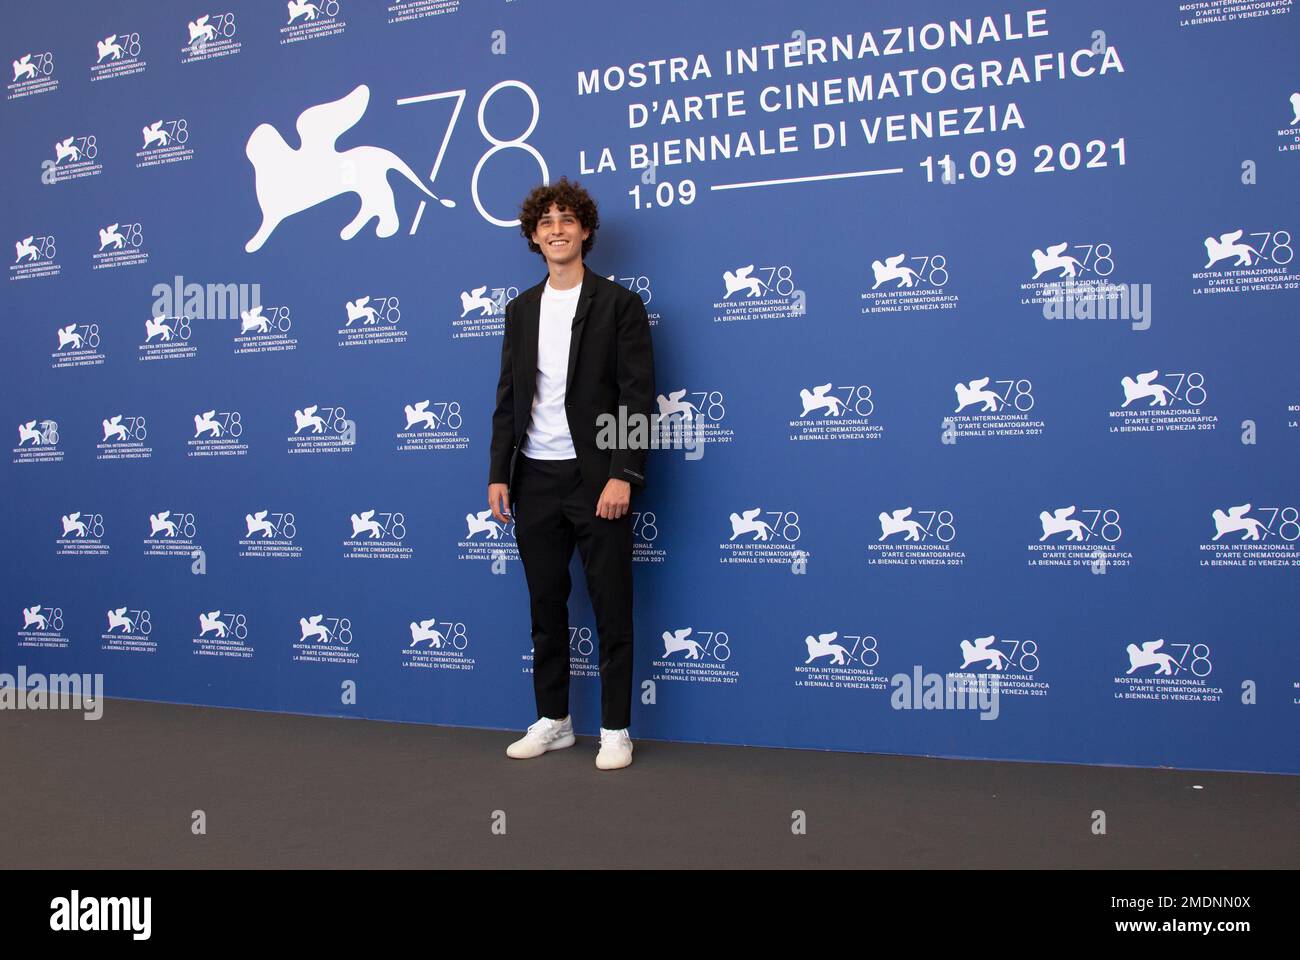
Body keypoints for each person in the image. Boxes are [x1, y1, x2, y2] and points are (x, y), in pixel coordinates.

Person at [487, 177, 655, 770]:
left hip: (597, 480)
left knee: (612, 606)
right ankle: (554, 720)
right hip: (534, 479)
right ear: (534, 237)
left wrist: (621, 475)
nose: (556, 229)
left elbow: (638, 397)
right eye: (545, 222)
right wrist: (499, 472)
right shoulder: (520, 309)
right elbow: (510, 396)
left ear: (585, 230)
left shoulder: (619, 305)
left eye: (566, 219)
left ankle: (615, 728)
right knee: (545, 607)